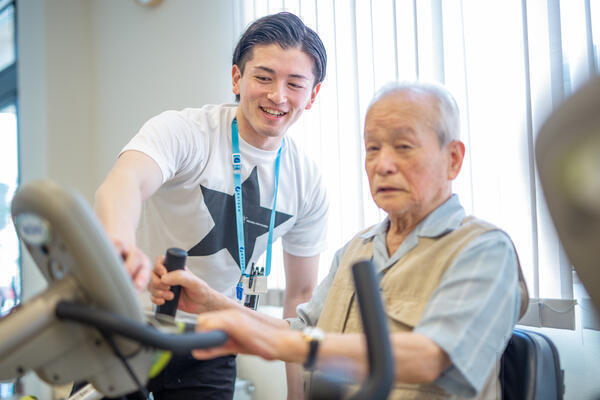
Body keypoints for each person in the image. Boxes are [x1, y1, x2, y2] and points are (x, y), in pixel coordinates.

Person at [151, 82, 529, 399]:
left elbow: (431, 355)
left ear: (453, 160)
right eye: (372, 148)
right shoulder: (357, 249)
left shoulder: (483, 250)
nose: (382, 164)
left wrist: (290, 346)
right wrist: (212, 303)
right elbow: (298, 332)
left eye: (403, 146)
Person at [94, 12, 328, 400]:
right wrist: (121, 243)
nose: (278, 96)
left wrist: (297, 395)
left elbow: (300, 297)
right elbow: (124, 182)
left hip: (212, 340)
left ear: (313, 94)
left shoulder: (307, 182)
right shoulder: (186, 132)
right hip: (128, 322)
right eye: (264, 77)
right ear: (237, 77)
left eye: (295, 84)